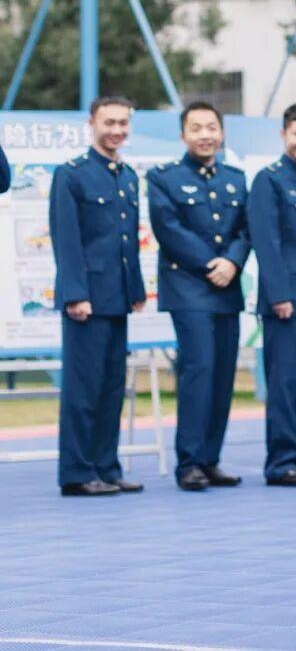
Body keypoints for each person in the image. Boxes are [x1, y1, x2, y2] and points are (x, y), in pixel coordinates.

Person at [148, 102, 250, 491]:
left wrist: (233, 262)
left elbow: (246, 228)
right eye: (196, 128)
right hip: (189, 287)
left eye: (211, 128)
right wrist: (212, 264)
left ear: (221, 133)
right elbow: (169, 229)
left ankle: (210, 459)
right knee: (199, 370)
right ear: (183, 135)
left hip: (228, 288)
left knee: (223, 374)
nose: (205, 135)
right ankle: (189, 462)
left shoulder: (235, 178)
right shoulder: (164, 178)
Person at [50, 96, 146, 496]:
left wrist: (136, 289)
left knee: (110, 388)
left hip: (117, 297)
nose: (116, 130)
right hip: (86, 300)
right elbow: (66, 239)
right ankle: (77, 472)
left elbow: (128, 240)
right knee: (83, 390)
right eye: (109, 122)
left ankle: (106, 467)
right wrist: (75, 294)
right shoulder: (71, 174)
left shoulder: (127, 176)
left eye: (123, 123)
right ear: (91, 124)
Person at [248, 104, 296, 486]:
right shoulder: (269, 180)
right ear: (283, 135)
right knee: (283, 384)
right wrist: (279, 294)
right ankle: (281, 462)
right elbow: (267, 243)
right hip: (285, 302)